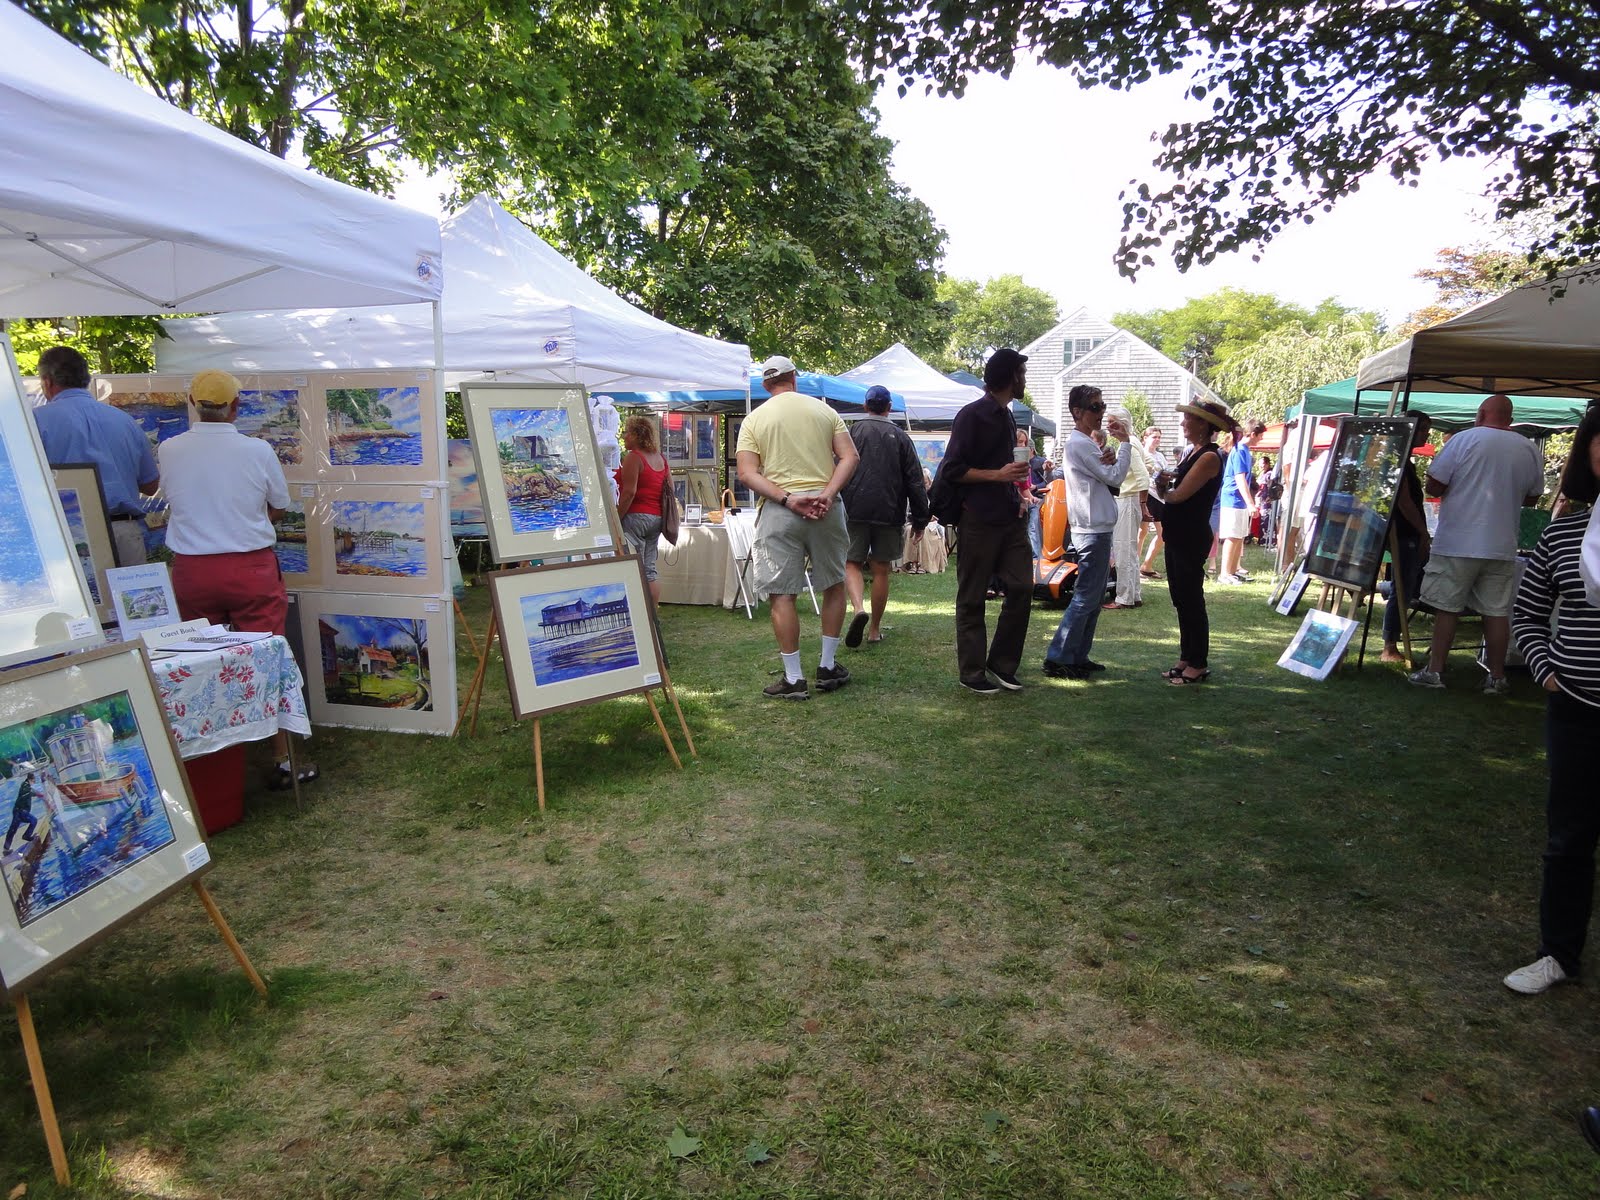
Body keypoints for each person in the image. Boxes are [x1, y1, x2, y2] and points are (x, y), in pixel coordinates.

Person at [159, 369, 315, 790]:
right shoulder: (257, 450)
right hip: (249, 568)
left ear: (192, 403)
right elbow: (279, 507)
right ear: (235, 407)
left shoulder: (170, 450)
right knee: (267, 658)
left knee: (199, 665)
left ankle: (212, 762)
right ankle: (282, 757)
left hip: (193, 570)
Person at [1501, 410, 1600, 994]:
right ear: (1589, 454)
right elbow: (1529, 612)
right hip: (1579, 708)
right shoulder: (1565, 533)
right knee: (1569, 840)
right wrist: (1545, 671)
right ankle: (1558, 954)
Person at [735, 354, 859, 700]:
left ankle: (793, 678)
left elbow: (747, 473)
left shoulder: (754, 420)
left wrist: (788, 499)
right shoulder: (825, 411)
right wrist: (828, 494)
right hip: (825, 507)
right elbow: (850, 456)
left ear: (765, 385)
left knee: (782, 594)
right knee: (833, 584)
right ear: (795, 377)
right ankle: (828, 665)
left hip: (780, 510)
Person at [1408, 394, 1544, 693]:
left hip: (1458, 540)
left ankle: (1435, 671)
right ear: (1509, 417)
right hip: (1501, 543)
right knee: (1496, 612)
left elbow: (1434, 485)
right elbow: (1533, 497)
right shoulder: (1528, 447)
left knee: (1447, 609)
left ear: (1481, 413)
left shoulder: (1462, 440)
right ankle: (1496, 677)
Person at [941, 348, 1032, 694]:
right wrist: (999, 475)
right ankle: (972, 671)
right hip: (978, 518)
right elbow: (952, 470)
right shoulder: (972, 415)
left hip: (1010, 516)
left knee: (1023, 587)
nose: (1025, 380)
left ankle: (1002, 663)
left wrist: (1018, 492)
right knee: (973, 596)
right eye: (1022, 374)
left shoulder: (1007, 416)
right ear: (1011, 377)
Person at [31, 345, 159, 566]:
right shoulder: (125, 421)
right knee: (131, 600)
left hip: (69, 534)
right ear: (86, 379)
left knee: (82, 601)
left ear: (47, 382)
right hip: (125, 534)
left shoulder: (34, 422)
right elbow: (150, 486)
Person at [1041, 385, 1131, 679]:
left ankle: (1077, 655)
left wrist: (1108, 452)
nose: (1101, 412)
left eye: (1102, 406)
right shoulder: (1079, 444)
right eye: (1095, 407)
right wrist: (1125, 444)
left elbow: (1109, 475)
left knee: (1092, 598)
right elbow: (1115, 476)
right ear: (1077, 412)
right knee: (1086, 597)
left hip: (1095, 527)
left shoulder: (1084, 443)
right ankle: (1059, 657)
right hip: (1092, 529)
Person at [839, 384, 930, 648]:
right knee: (881, 570)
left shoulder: (852, 431)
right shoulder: (901, 436)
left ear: (865, 406)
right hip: (889, 512)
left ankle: (858, 609)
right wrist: (921, 519)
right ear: (889, 408)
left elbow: (837, 467)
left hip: (853, 508)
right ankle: (874, 630)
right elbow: (915, 480)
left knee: (851, 563)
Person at [1155, 400, 1232, 686]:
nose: (1182, 423)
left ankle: (1198, 662)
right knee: (1181, 599)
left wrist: (1163, 488)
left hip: (1190, 535)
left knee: (1191, 600)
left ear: (1202, 424)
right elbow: (1173, 493)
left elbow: (1178, 496)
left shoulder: (1210, 457)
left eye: (1187, 419)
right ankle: (1186, 657)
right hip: (1178, 533)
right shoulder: (1193, 452)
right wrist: (1164, 485)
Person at [1380, 414, 1434, 663]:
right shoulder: (1396, 459)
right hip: (1404, 533)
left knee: (1404, 586)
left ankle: (1391, 642)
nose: (1426, 434)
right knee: (1401, 588)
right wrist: (1422, 531)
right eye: (1422, 428)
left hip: (1406, 532)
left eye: (1428, 429)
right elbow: (1403, 501)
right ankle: (1389, 646)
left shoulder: (1402, 459)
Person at [614, 415, 669, 607]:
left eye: (627, 432)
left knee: (632, 566)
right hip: (656, 518)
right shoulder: (660, 459)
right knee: (649, 569)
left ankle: (639, 615)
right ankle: (653, 614)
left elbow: (629, 492)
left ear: (637, 434)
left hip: (635, 517)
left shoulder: (634, 457)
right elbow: (668, 489)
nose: (624, 436)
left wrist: (616, 518)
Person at [1105, 407, 1152, 610]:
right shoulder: (1135, 443)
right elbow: (1149, 464)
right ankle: (1134, 595)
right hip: (1130, 499)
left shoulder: (1129, 444)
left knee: (1123, 549)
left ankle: (1123, 598)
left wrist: (1143, 502)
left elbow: (1144, 475)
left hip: (1127, 499)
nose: (1108, 427)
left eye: (1112, 423)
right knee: (1130, 550)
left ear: (1122, 424)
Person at [1218, 420, 1265, 583]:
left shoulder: (1245, 451)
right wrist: (1251, 503)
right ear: (1253, 434)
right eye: (1260, 436)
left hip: (1240, 502)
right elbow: (1240, 479)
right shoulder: (1239, 451)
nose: (1260, 439)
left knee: (1239, 536)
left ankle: (1232, 572)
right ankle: (1224, 574)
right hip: (1232, 499)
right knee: (1232, 536)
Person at [1139, 427, 1168, 580]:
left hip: (1160, 496)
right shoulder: (1141, 454)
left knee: (1162, 533)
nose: (1157, 439)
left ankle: (1147, 565)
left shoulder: (1160, 456)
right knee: (1142, 532)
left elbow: (1165, 471)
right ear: (1145, 438)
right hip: (1146, 494)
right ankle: (1135, 566)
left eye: (1159, 437)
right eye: (1154, 437)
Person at [3, 767, 39, 854]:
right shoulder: (25, 786)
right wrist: (36, 793)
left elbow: (29, 792)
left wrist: (36, 793)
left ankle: (6, 849)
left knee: (13, 829)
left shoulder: (25, 785)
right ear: (31, 779)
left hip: (18, 811)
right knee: (34, 821)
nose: (34, 782)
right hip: (21, 811)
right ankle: (26, 835)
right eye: (34, 780)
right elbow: (27, 792)